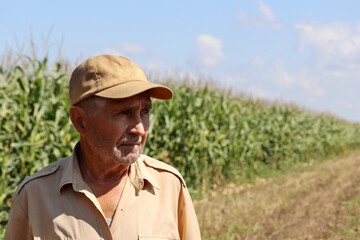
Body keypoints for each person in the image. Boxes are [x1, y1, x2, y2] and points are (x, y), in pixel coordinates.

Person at [4, 55, 201, 240]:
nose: (140, 128)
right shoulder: (34, 196)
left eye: (145, 112)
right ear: (80, 121)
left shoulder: (170, 186)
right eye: (124, 113)